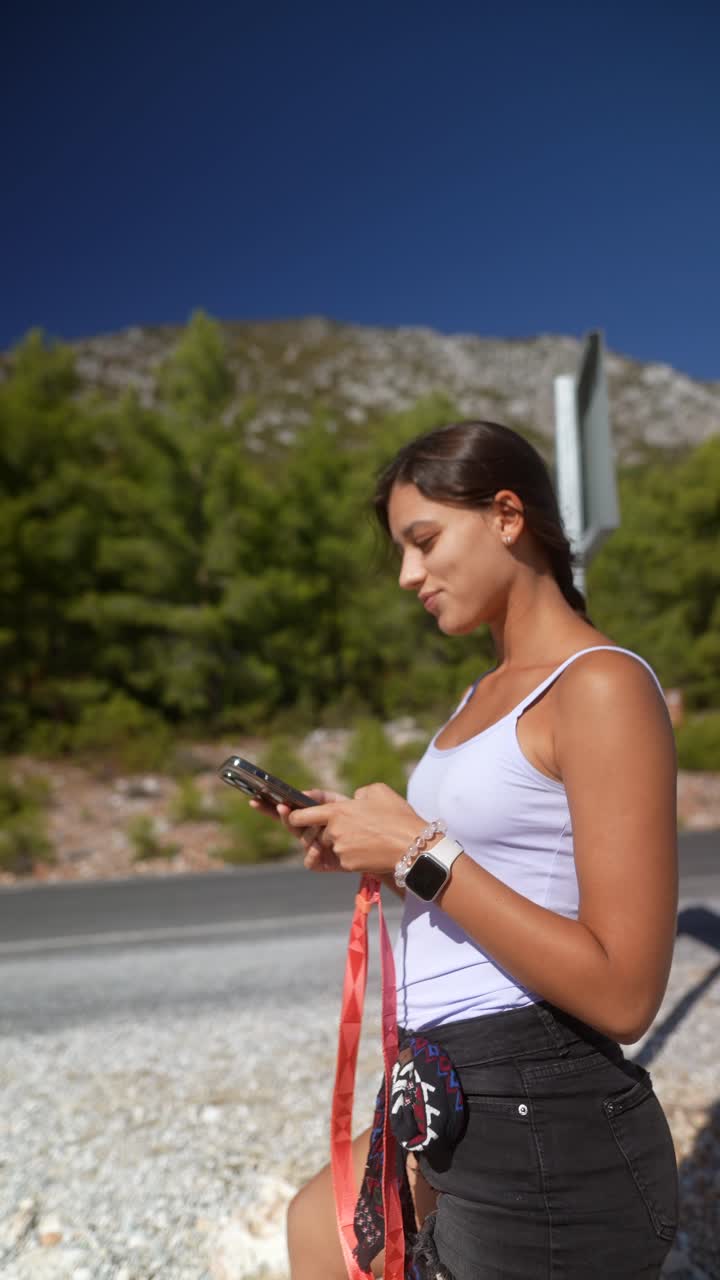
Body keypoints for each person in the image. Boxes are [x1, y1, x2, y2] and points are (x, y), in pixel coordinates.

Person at [258, 420, 680, 1279]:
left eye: (424, 542)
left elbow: (627, 990)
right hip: (445, 1083)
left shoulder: (601, 686)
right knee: (319, 1228)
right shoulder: (473, 699)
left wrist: (418, 850)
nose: (409, 576)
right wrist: (377, 853)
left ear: (507, 515)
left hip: (544, 1116)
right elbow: (481, 875)